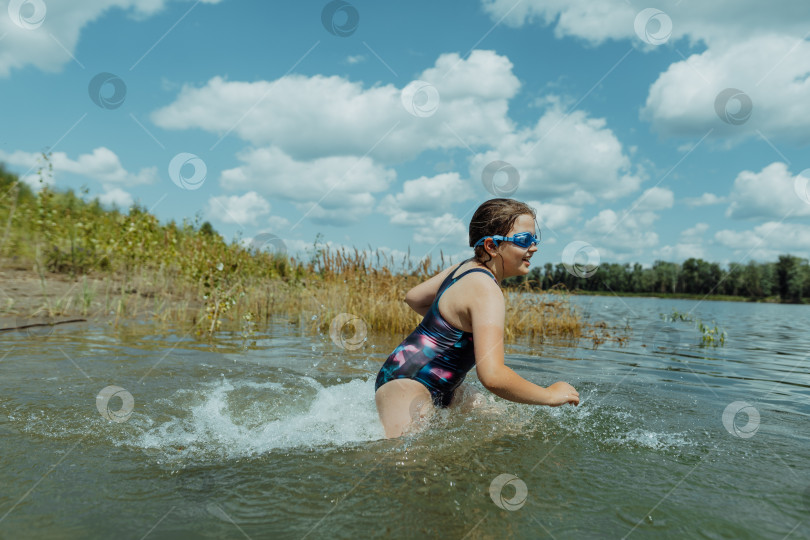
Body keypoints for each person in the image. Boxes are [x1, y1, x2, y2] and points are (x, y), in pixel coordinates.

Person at [374, 198, 580, 439]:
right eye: (524, 240)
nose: (533, 248)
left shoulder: (464, 268)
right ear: (492, 246)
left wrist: (451, 326)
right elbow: (492, 376)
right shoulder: (486, 289)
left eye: (535, 240)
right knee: (406, 463)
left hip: (431, 380)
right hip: (408, 385)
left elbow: (414, 298)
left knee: (509, 426)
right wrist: (549, 395)